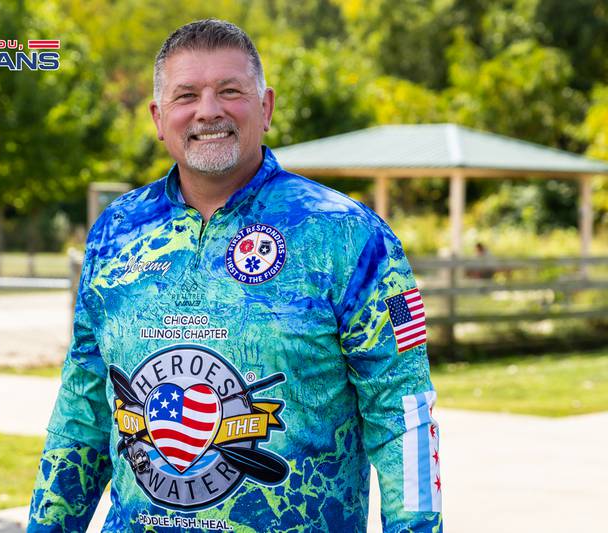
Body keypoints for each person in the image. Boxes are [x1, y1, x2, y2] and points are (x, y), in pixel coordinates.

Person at [28, 19, 442, 533]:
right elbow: (82, 409)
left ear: (265, 108)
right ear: (159, 118)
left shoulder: (351, 236)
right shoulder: (116, 232)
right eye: (187, 96)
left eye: (230, 91)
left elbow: (404, 415)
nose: (208, 110)